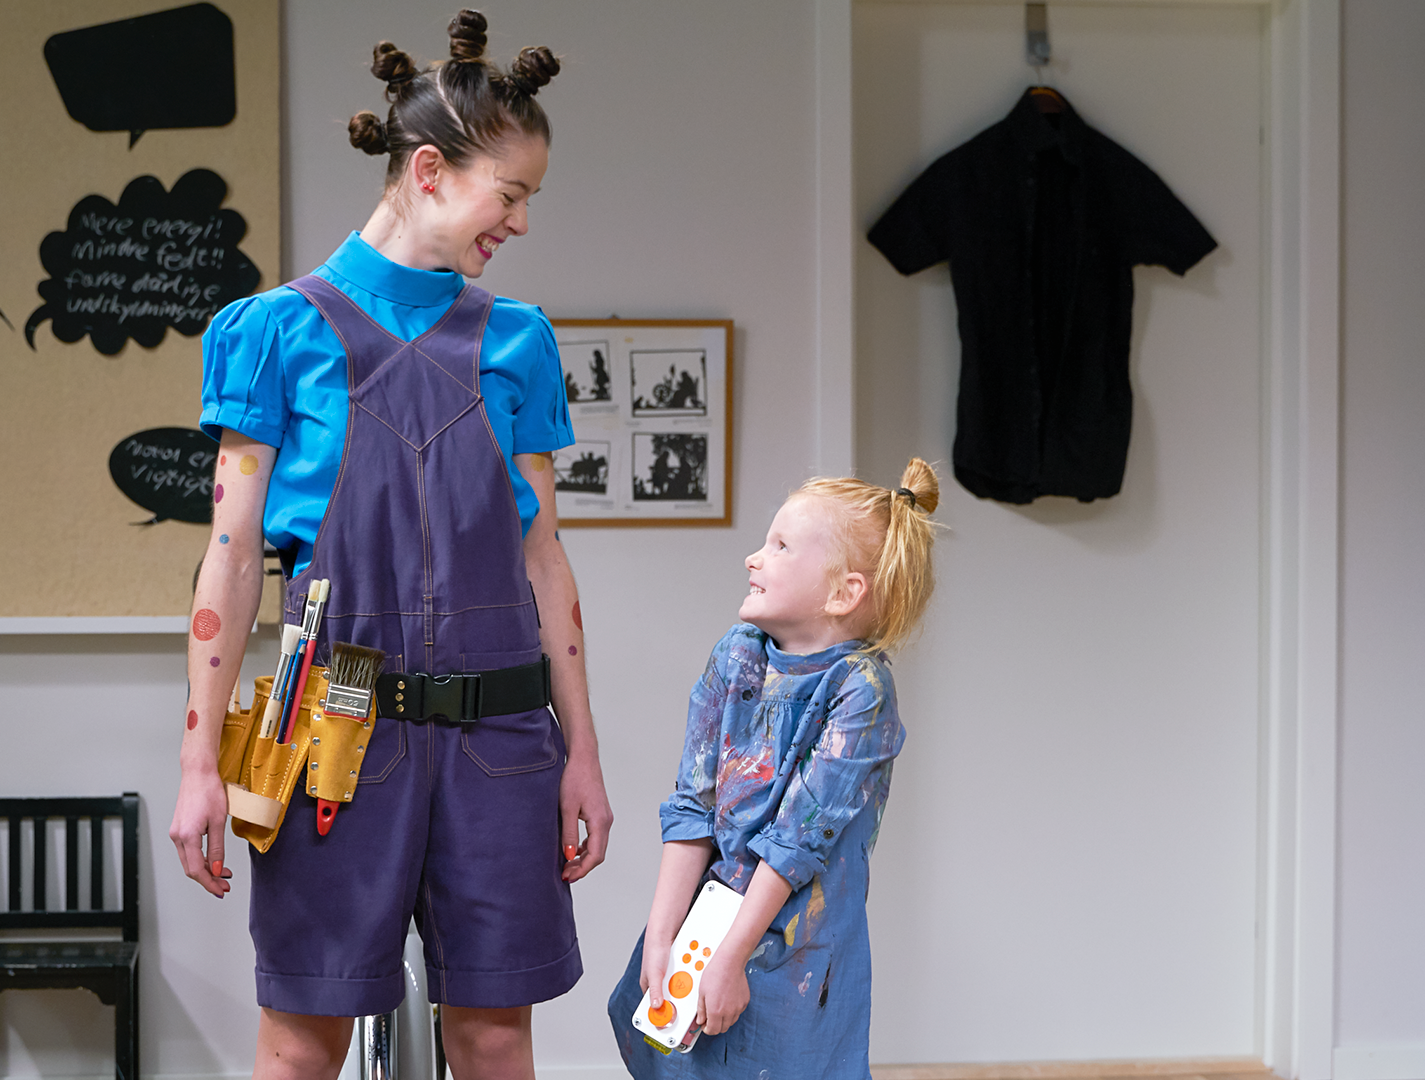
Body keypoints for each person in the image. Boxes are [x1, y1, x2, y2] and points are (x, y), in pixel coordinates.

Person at [168, 11, 613, 1079]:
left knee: (496, 1038)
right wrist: (197, 763)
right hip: (330, 733)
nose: (520, 221)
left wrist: (584, 753)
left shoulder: (518, 341)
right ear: (428, 171)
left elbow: (545, 560)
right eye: (510, 194)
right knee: (300, 1043)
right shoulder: (271, 334)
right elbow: (230, 559)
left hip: (501, 741)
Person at [607, 459, 943, 1079]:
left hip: (797, 951)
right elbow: (694, 806)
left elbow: (795, 843)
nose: (753, 558)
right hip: (706, 925)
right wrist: (661, 936)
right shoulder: (736, 655)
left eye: (780, 547)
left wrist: (733, 957)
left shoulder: (861, 690)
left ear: (844, 592)